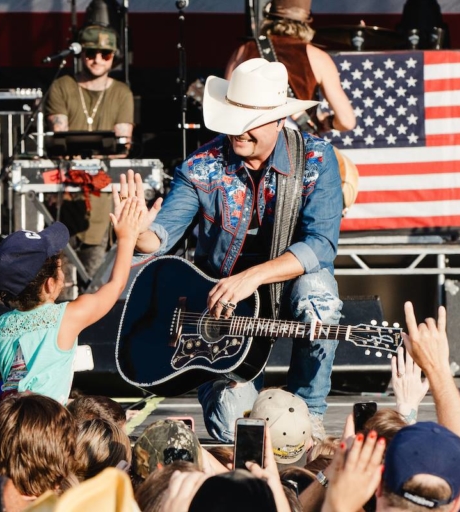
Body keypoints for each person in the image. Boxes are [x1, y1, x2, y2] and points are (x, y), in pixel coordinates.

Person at [117, 57, 344, 443]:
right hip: (220, 309)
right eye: (231, 117)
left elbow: (320, 245)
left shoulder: (317, 160)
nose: (236, 132)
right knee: (234, 431)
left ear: (278, 121)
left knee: (320, 296)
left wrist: (251, 277)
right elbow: (162, 234)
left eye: (249, 122)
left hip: (283, 286)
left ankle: (311, 411)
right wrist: (136, 234)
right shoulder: (200, 167)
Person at [0, 195, 143, 402]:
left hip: (7, 425)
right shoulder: (68, 316)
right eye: (61, 267)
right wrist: (127, 238)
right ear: (50, 284)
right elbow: (116, 285)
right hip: (48, 426)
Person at [44, 24, 134, 277]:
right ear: (81, 54)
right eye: (91, 53)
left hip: (102, 204)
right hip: (63, 198)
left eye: (104, 54)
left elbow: (122, 146)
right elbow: (61, 141)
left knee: (96, 280)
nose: (97, 60)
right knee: (57, 281)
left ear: (113, 56)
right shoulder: (62, 86)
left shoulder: (121, 93)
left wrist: (84, 154)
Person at [224, 0, 355, 134]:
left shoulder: (244, 50)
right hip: (295, 144)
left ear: (269, 18)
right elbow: (347, 121)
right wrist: (327, 122)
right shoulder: (318, 57)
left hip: (249, 139)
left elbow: (224, 105)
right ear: (306, 22)